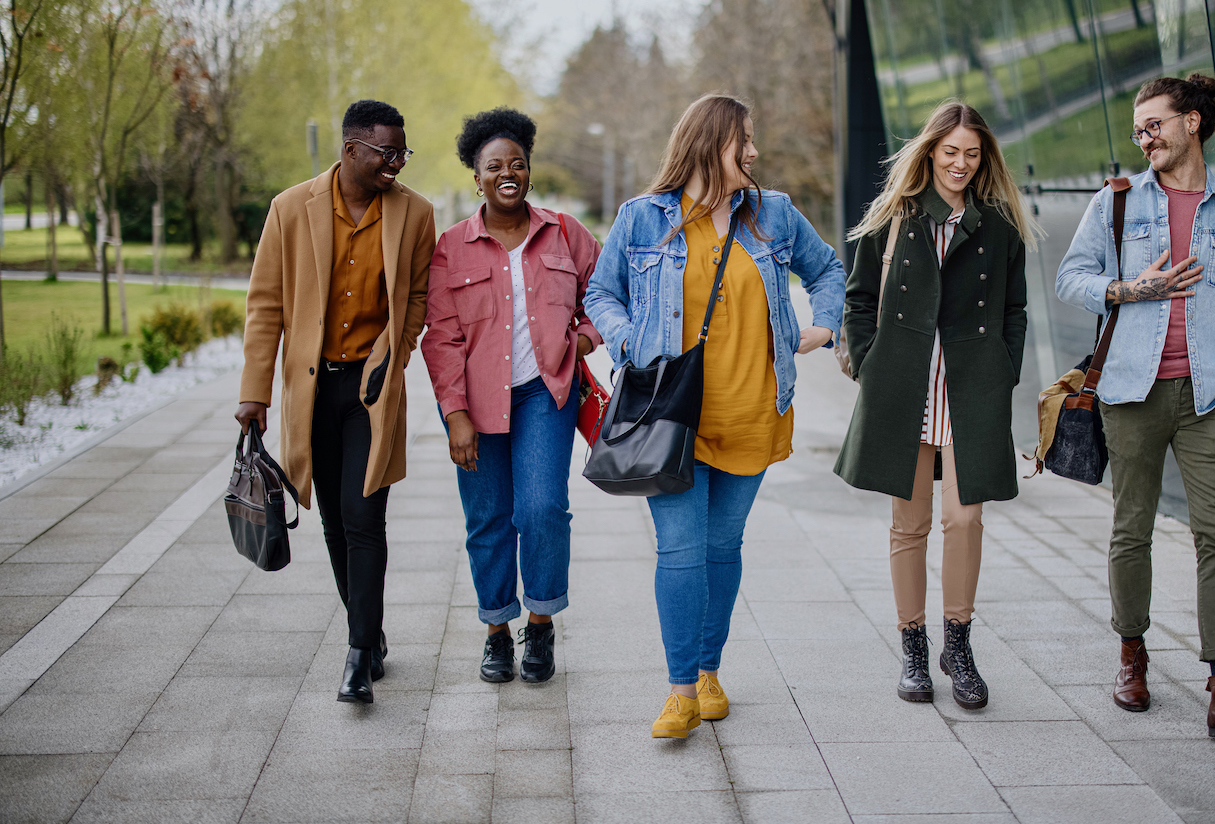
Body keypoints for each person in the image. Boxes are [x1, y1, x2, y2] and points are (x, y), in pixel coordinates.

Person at [584, 94, 845, 738]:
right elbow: (601, 293)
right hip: (671, 417)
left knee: (722, 547)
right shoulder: (642, 218)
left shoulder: (773, 215)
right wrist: (628, 345)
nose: (754, 152)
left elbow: (829, 269)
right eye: (743, 140)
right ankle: (679, 690)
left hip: (755, 410)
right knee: (680, 549)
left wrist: (822, 327)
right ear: (708, 145)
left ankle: (707, 668)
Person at [1056, 74, 1215, 738]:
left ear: (1193, 124)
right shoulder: (1117, 202)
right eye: (1137, 128)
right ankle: (1132, 651)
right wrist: (1131, 287)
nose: (1143, 136)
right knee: (1132, 528)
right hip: (1131, 390)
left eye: (1154, 123)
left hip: (1212, 395)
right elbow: (1072, 279)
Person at [835, 100, 1036, 710]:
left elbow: (1014, 310)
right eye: (950, 152)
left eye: (972, 154)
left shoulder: (999, 224)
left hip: (971, 388)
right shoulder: (895, 217)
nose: (960, 164)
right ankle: (914, 649)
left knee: (966, 519)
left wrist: (1003, 370)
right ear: (930, 152)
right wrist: (871, 362)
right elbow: (859, 299)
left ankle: (960, 644)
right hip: (906, 387)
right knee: (910, 524)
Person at [237, 99, 435, 704]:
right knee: (330, 518)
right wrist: (255, 394)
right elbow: (266, 305)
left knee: (363, 513)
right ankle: (369, 632)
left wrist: (393, 359)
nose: (396, 163)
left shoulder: (415, 214)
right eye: (386, 152)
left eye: (403, 152)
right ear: (351, 149)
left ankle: (356, 656)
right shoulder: (289, 209)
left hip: (370, 391)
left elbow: (419, 298)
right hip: (312, 390)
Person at [422, 108, 601, 685]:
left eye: (516, 164)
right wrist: (455, 415)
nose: (507, 173)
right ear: (476, 177)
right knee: (489, 518)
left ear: (528, 171)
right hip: (476, 404)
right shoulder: (451, 247)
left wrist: (585, 339)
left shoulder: (565, 233)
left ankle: (541, 623)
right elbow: (442, 337)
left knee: (542, 509)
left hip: (546, 395)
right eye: (493, 165)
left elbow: (606, 295)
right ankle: (497, 631)